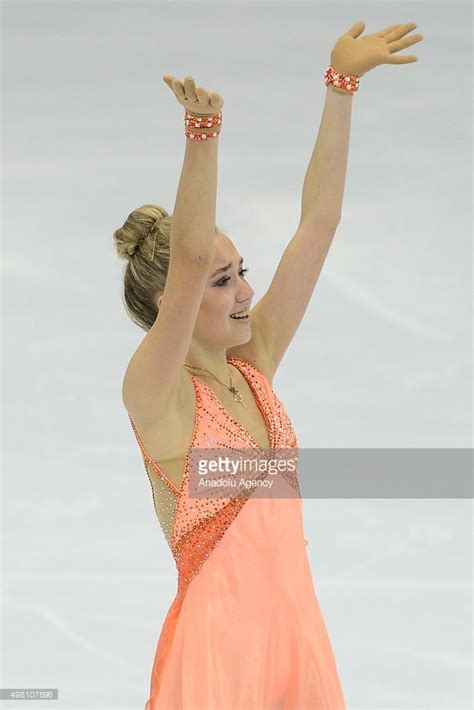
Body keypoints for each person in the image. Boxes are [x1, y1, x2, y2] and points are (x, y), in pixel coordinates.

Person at [113, 21, 423, 710]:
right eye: (223, 282)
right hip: (219, 655)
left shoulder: (255, 362)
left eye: (241, 272)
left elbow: (319, 221)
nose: (246, 293)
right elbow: (190, 257)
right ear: (175, 302)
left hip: (295, 642)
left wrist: (341, 85)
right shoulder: (158, 396)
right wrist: (202, 137)